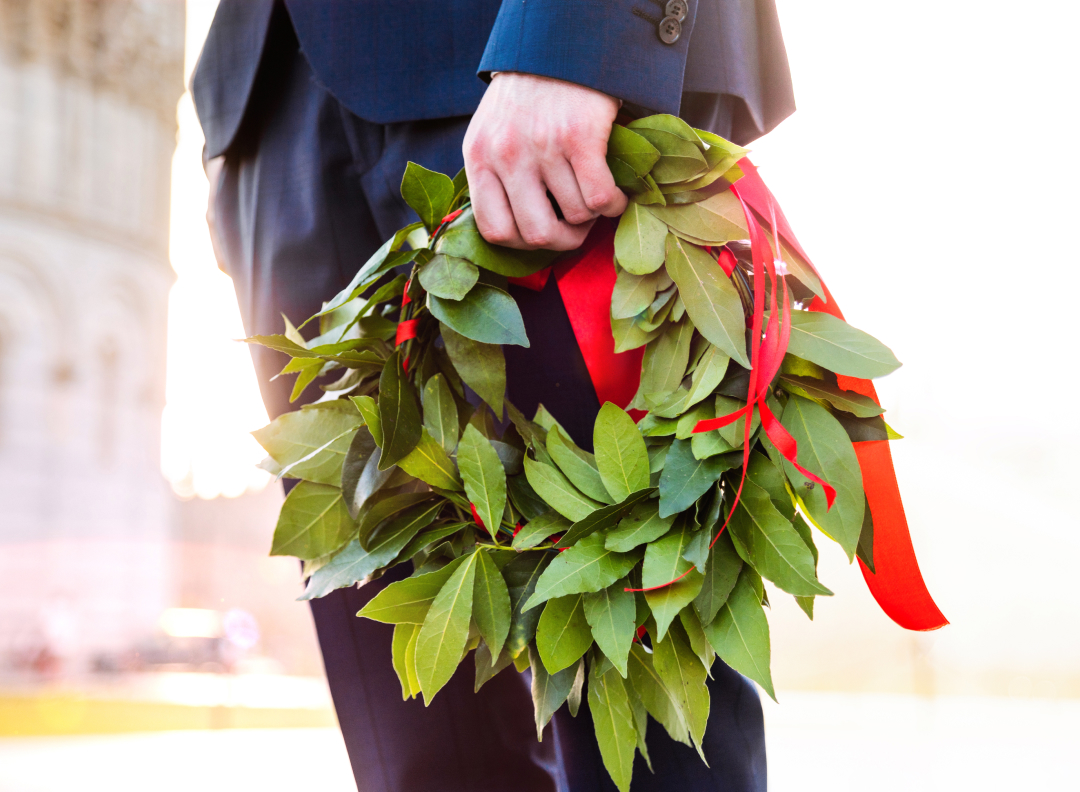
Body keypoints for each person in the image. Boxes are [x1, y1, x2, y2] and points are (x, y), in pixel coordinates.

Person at [193, 2, 795, 790]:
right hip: (272, 103)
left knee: (642, 703)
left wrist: (580, 36)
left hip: (527, 68)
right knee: (426, 750)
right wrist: (238, 156)